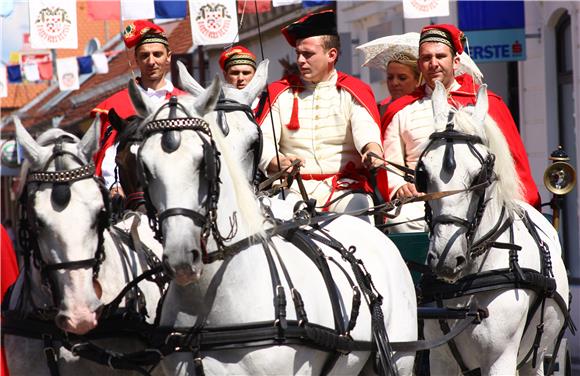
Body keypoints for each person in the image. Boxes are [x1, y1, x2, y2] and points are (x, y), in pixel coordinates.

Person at [382, 24, 541, 233]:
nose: (434, 64)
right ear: (420, 64)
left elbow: (511, 160)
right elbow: (389, 163)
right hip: (421, 202)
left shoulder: (484, 103)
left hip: (479, 198)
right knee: (399, 223)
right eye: (427, 58)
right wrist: (398, 187)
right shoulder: (402, 110)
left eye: (440, 56)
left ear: (456, 61)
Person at [256, 10, 386, 223]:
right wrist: (276, 161)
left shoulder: (353, 90)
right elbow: (265, 140)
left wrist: (372, 150)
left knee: (361, 208)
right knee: (270, 215)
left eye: (307, 54)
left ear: (331, 55)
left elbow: (365, 129)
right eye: (298, 53)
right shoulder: (279, 92)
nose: (300, 60)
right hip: (293, 189)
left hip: (343, 189)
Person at [92, 20, 185, 196]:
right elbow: (109, 153)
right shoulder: (117, 104)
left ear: (169, 56)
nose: (151, 61)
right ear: (137, 59)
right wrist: (114, 186)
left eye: (157, 54)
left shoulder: (184, 101)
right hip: (131, 197)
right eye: (144, 56)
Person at [379, 52, 420, 118]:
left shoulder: (426, 108)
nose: (394, 83)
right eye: (390, 77)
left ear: (417, 80)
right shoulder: (379, 112)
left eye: (402, 78)